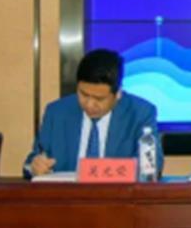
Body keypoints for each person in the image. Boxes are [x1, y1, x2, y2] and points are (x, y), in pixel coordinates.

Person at [24, 49, 160, 177]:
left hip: (117, 194)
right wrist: (34, 166)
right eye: (83, 94)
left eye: (99, 99)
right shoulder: (56, 112)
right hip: (67, 194)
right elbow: (32, 160)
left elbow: (153, 165)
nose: (89, 104)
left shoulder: (140, 113)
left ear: (118, 93)